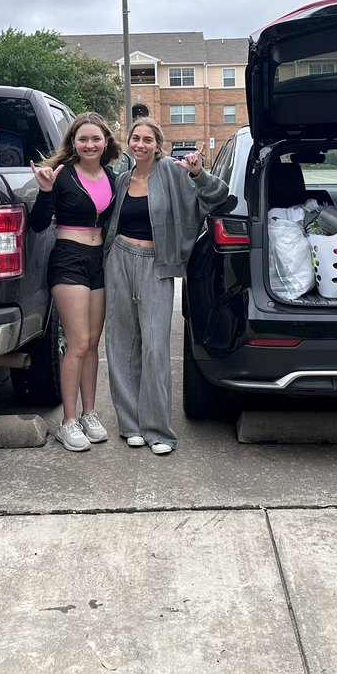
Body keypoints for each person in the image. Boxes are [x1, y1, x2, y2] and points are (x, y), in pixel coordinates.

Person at [102, 118, 230, 455]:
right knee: (121, 344)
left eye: (147, 139)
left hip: (156, 265)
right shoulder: (120, 180)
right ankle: (130, 424)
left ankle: (157, 429)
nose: (140, 144)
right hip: (119, 260)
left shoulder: (175, 173)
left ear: (158, 145)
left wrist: (198, 173)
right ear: (128, 143)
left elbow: (219, 197)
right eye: (135, 138)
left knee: (155, 347)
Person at [29, 112, 121, 452]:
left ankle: (89, 414)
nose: (90, 144)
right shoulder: (62, 175)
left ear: (106, 142)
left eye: (96, 139)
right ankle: (68, 421)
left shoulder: (112, 176)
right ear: (73, 143)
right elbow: (39, 224)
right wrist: (45, 191)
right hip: (68, 260)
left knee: (93, 343)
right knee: (78, 342)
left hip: (100, 262)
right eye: (83, 139)